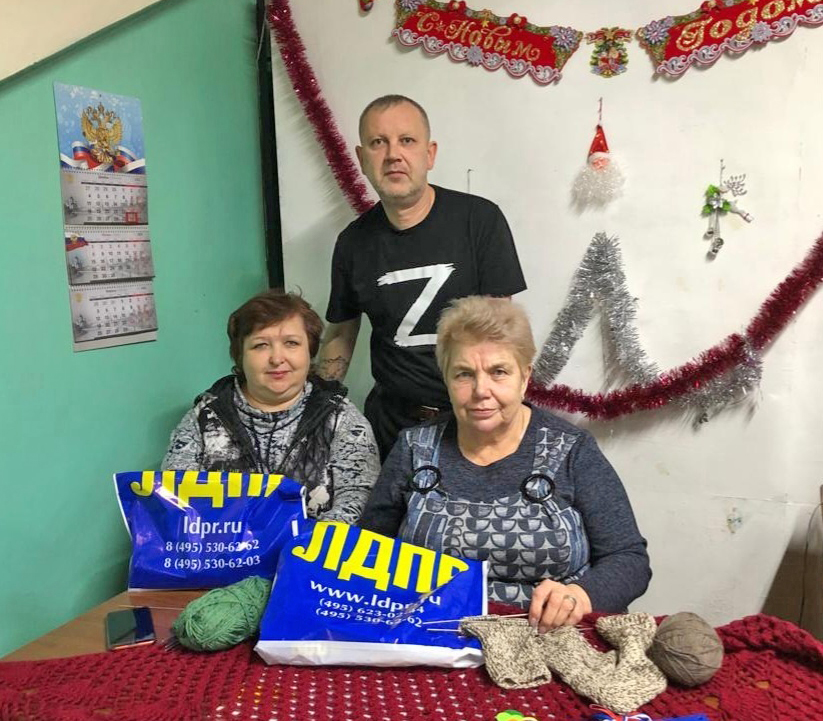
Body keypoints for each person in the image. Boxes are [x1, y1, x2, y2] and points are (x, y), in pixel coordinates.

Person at [358, 296, 651, 632]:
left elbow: (629, 558)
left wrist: (579, 596)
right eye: (464, 374)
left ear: (524, 377)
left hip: (549, 636)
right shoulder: (413, 448)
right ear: (446, 379)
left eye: (498, 372)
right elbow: (367, 550)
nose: (481, 390)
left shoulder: (572, 449)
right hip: (434, 634)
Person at [317, 94, 527, 461]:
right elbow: (341, 334)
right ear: (362, 158)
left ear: (429, 154)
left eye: (407, 140)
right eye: (378, 142)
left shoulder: (480, 221)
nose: (393, 154)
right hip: (391, 430)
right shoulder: (353, 243)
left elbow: (499, 334)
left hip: (473, 423)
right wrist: (316, 406)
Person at [163, 291, 380, 525]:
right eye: (261, 345)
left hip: (315, 546)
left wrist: (304, 544)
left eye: (291, 343)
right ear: (240, 355)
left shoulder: (341, 418)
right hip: (224, 545)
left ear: (310, 351)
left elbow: (358, 498)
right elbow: (176, 498)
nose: (277, 358)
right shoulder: (206, 417)